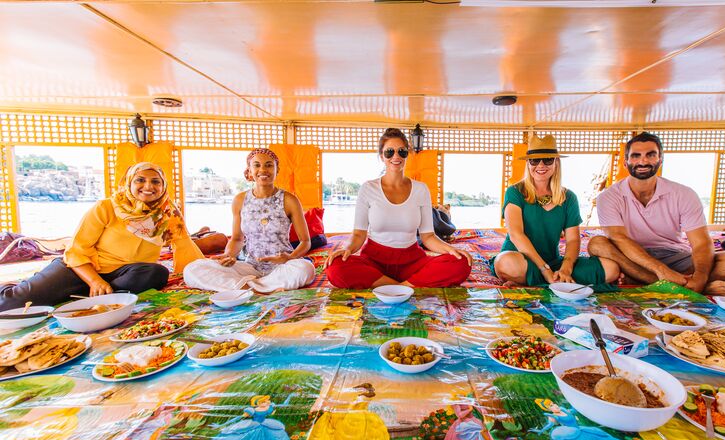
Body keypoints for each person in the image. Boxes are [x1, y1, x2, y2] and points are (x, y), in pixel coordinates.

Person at [0, 162, 202, 311]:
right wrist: (95, 281)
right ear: (129, 183)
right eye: (140, 180)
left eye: (155, 181)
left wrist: (202, 275)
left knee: (157, 273)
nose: (148, 186)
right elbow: (77, 250)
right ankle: (87, 291)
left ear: (163, 186)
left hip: (124, 274)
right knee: (12, 304)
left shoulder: (167, 213)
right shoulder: (106, 207)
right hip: (81, 268)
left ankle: (95, 296)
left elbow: (184, 244)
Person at [588, 132, 725, 296]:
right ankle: (677, 285)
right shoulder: (609, 196)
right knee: (597, 244)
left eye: (650, 155)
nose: (643, 160)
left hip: (674, 256)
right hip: (632, 258)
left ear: (660, 160)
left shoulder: (683, 194)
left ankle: (661, 283)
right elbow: (619, 239)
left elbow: (701, 243)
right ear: (625, 163)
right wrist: (661, 270)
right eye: (636, 155)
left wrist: (700, 279)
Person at [324, 128, 472, 289]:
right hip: (374, 261)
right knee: (335, 267)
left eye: (401, 151)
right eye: (389, 152)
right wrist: (347, 249)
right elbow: (359, 234)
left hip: (412, 261)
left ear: (407, 154)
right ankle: (404, 288)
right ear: (381, 156)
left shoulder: (420, 189)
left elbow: (428, 236)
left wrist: (451, 250)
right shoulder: (368, 188)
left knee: (461, 262)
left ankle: (394, 287)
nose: (396, 156)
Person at [490, 134, 619, 289]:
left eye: (548, 160)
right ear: (528, 164)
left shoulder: (569, 197)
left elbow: (572, 240)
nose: (541, 165)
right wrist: (544, 269)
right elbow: (517, 235)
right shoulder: (515, 192)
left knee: (611, 269)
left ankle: (541, 281)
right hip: (520, 259)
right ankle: (549, 280)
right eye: (535, 160)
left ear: (556, 163)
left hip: (554, 262)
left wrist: (566, 268)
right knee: (505, 263)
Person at [183, 148, 315, 293]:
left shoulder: (289, 200)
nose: (263, 169)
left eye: (269, 165)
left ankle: (246, 288)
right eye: (257, 165)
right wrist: (229, 255)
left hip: (282, 267)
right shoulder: (240, 200)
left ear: (277, 169)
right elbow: (237, 238)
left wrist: (290, 257)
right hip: (250, 267)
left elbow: (305, 241)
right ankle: (261, 288)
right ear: (249, 170)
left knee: (306, 269)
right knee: (192, 269)